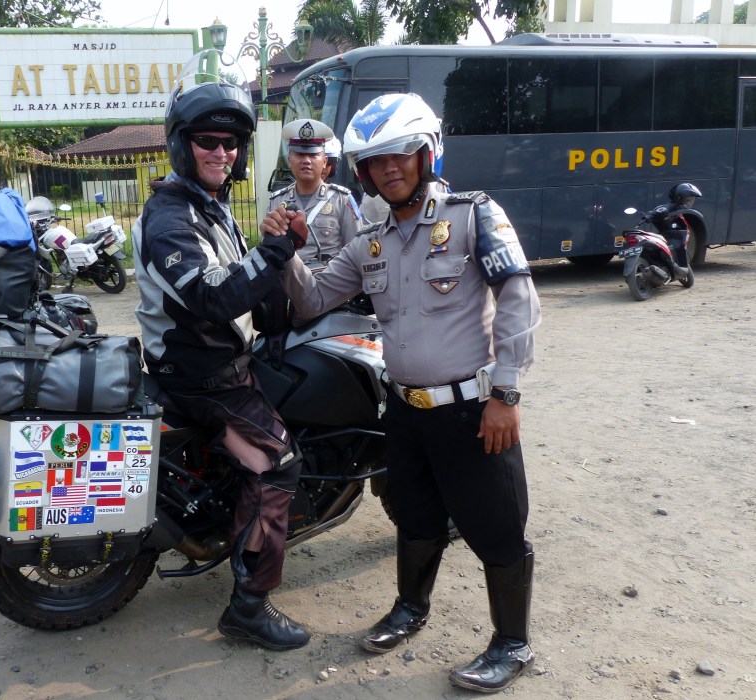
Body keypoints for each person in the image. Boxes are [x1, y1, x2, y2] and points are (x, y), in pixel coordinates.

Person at [262, 93, 542, 693]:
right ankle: (411, 609)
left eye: (400, 155)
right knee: (415, 520)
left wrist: (507, 395)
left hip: (472, 410)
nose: (389, 169)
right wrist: (287, 250)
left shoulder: (473, 215)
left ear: (426, 155)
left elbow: (519, 299)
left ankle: (512, 643)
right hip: (405, 412)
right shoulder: (370, 243)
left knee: (495, 528)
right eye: (375, 161)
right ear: (361, 173)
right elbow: (312, 300)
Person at [131, 53, 309, 651]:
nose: (222, 152)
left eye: (231, 142)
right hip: (204, 377)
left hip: (221, 363)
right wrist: (276, 253)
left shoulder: (212, 208)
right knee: (279, 464)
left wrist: (280, 294)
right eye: (208, 140)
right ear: (182, 144)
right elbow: (210, 297)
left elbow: (243, 287)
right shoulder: (168, 217)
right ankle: (249, 608)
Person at [268, 119, 360, 263]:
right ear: (289, 160)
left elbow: (356, 251)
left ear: (324, 162)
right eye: (299, 155)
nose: (306, 160)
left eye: (313, 155)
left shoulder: (342, 200)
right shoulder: (277, 201)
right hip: (287, 282)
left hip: (327, 282)